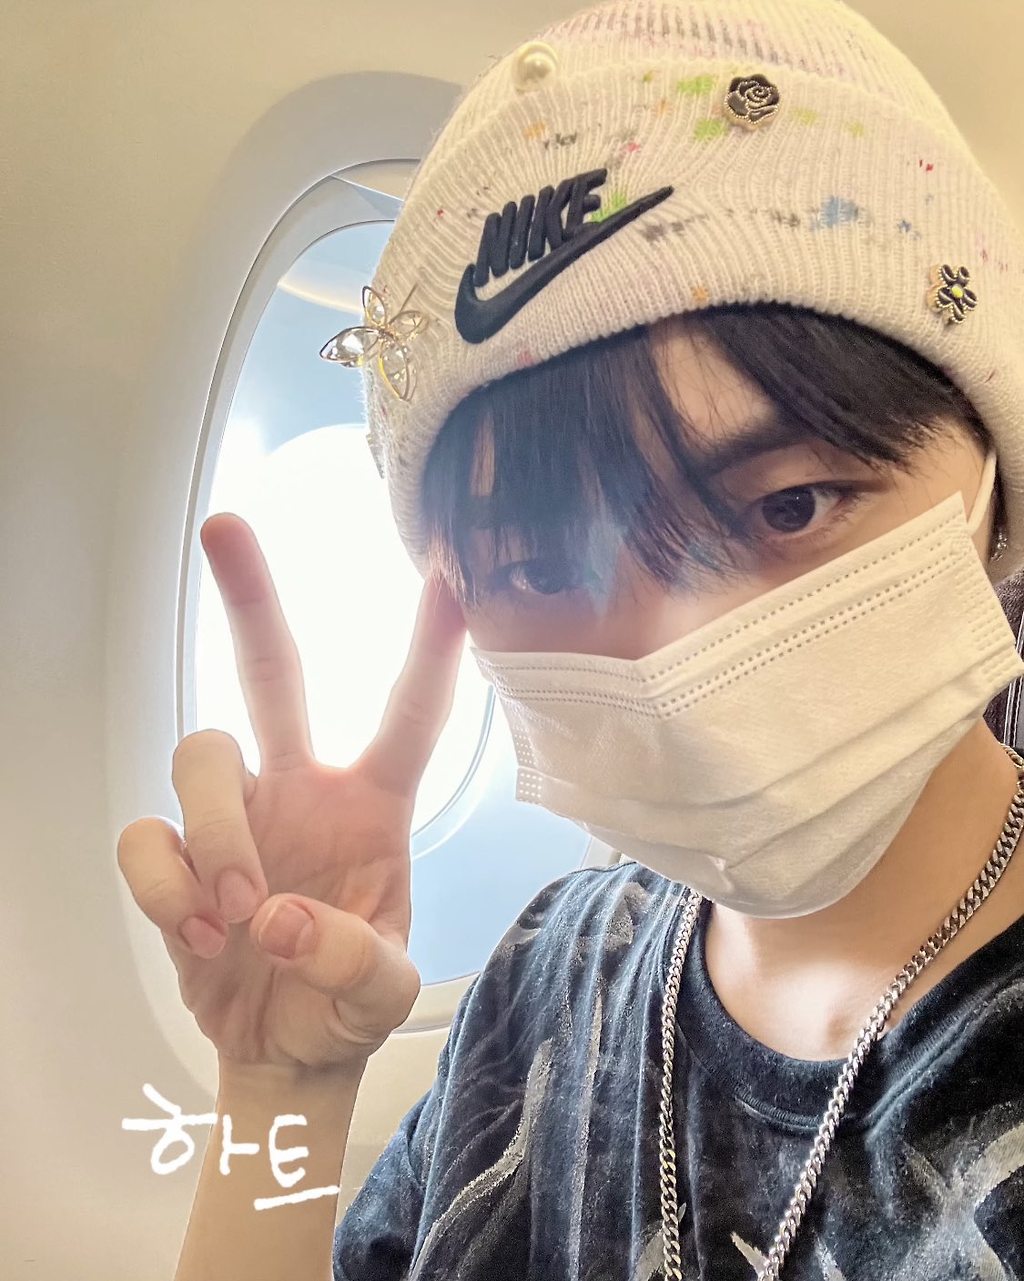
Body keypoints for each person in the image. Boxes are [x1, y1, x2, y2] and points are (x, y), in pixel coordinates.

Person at [116, 0, 1024, 1277]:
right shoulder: (548, 968)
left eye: (788, 506)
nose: (675, 662)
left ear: (994, 489)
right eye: (541, 566)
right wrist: (282, 1092)